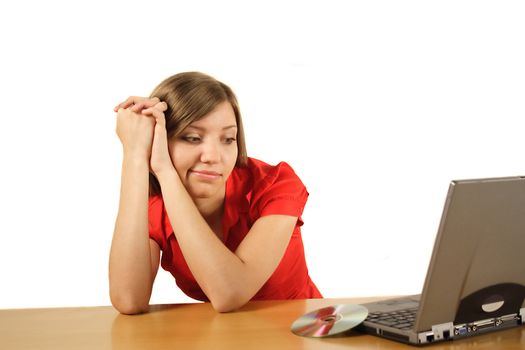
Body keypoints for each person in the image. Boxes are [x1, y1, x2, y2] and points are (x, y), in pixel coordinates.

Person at [109, 71, 321, 314]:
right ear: (160, 141)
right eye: (192, 138)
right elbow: (128, 299)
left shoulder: (274, 184)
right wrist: (135, 154)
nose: (213, 156)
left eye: (228, 139)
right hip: (225, 336)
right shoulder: (154, 208)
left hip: (303, 330)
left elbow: (229, 293)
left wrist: (165, 170)